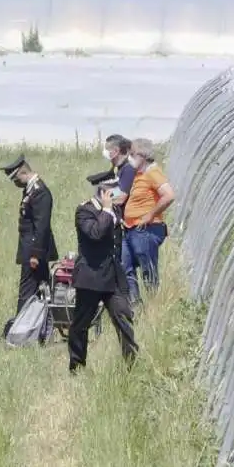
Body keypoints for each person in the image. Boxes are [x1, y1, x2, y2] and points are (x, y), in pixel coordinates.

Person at [69, 171, 138, 373]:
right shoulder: (85, 211)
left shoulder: (114, 210)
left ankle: (131, 364)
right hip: (91, 277)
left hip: (113, 277)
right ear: (103, 191)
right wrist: (107, 212)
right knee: (81, 324)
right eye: (113, 189)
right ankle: (77, 366)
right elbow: (96, 233)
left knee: (123, 316)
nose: (118, 192)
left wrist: (111, 212)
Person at [0, 154, 58, 337]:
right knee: (40, 289)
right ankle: (33, 328)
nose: (16, 183)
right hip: (30, 249)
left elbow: (41, 226)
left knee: (29, 289)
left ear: (22, 173)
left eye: (16, 178)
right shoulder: (31, 190)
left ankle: (21, 329)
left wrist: (34, 254)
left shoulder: (40, 192)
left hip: (34, 251)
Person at [123, 138, 176, 301]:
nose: (129, 157)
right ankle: (135, 305)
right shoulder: (137, 174)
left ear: (143, 155)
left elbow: (169, 195)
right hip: (130, 229)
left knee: (148, 269)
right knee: (124, 265)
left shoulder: (153, 172)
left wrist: (150, 215)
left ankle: (154, 306)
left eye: (132, 154)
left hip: (145, 230)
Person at [103, 134, 135, 208]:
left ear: (116, 151)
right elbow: (119, 190)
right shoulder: (120, 168)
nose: (105, 152)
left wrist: (101, 203)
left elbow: (121, 198)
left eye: (107, 149)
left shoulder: (128, 169)